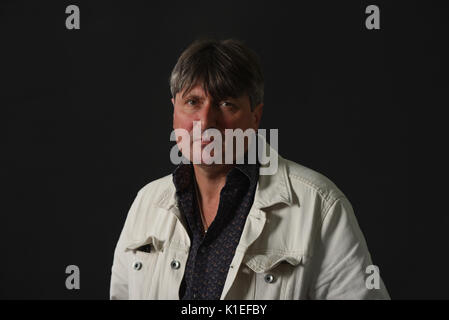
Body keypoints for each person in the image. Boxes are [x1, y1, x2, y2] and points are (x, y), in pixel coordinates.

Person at [110, 38, 390, 300]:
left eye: (226, 103)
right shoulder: (146, 204)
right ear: (174, 111)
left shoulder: (320, 206)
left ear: (255, 117)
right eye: (193, 102)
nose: (206, 121)